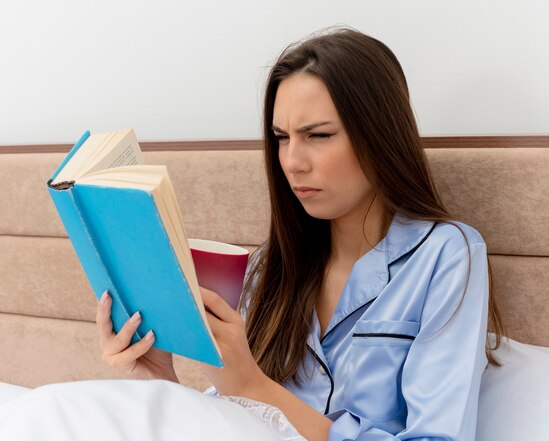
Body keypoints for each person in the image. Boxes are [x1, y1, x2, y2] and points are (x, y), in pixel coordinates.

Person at [97, 27, 503, 441]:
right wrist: (161, 382)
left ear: (379, 136)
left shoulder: (446, 255)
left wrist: (254, 386)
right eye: (281, 138)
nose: (292, 162)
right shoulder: (266, 268)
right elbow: (232, 420)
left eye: (319, 135)